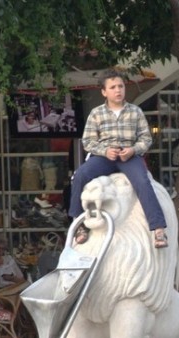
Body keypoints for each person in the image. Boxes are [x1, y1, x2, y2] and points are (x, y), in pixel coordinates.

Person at [68, 71, 168, 248]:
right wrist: (105, 151)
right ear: (104, 92)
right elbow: (88, 142)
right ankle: (79, 224)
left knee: (143, 182)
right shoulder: (96, 113)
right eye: (113, 87)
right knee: (80, 175)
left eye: (120, 86)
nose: (118, 90)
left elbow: (146, 139)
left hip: (128, 155)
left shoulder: (135, 111)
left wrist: (133, 150)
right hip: (104, 156)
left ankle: (158, 229)